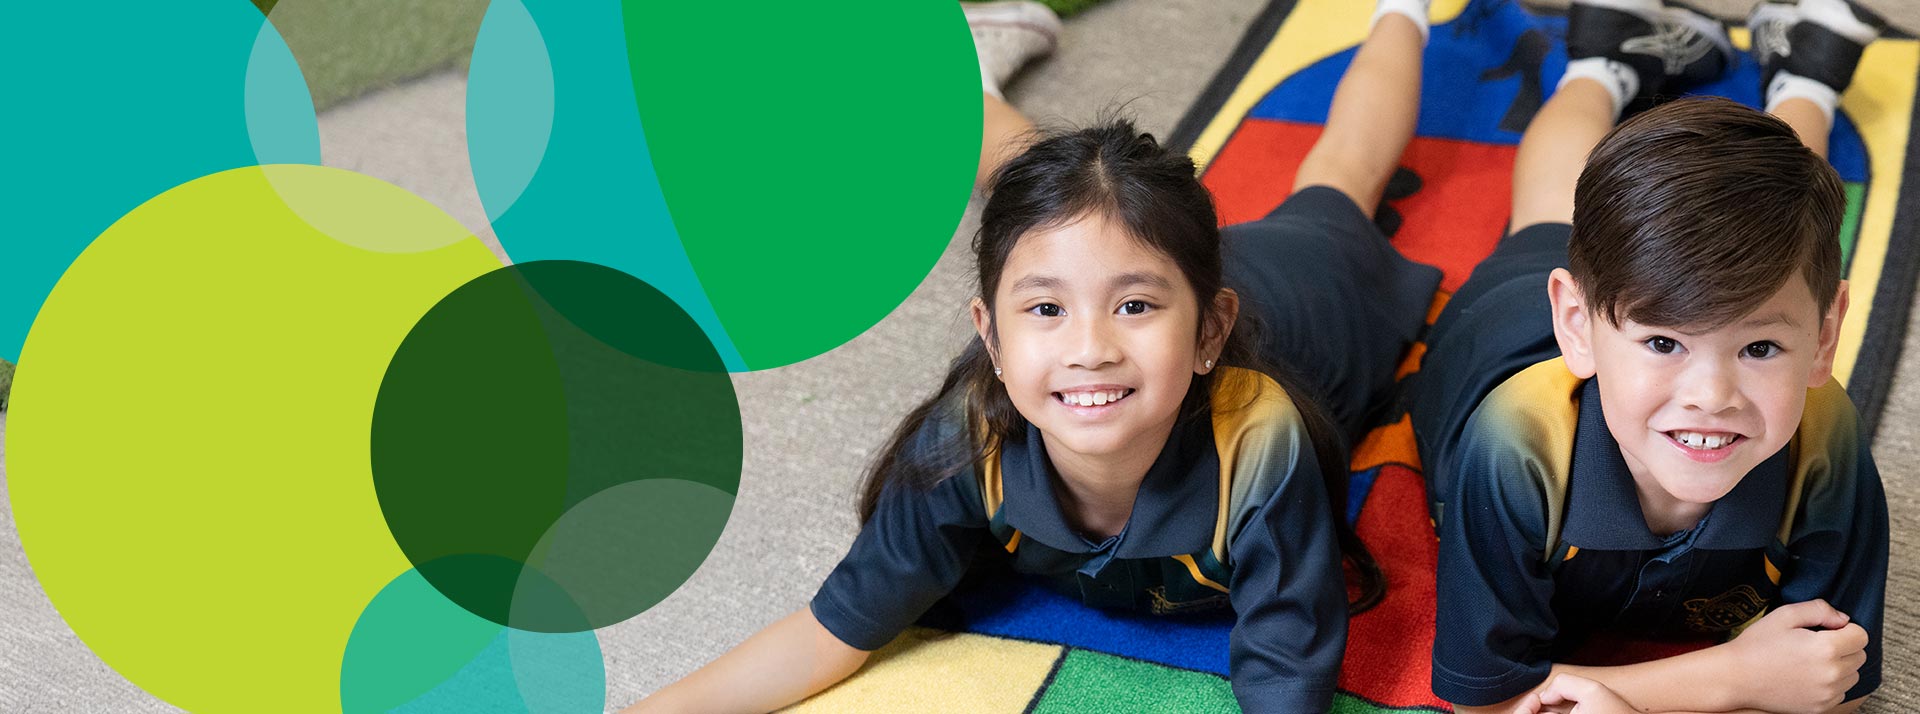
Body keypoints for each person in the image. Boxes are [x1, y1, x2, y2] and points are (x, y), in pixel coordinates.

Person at [628, 0, 1443, 710]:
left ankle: (1402, 9)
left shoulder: (1260, 445)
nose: (1088, 349)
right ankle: (966, 75)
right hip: (1160, 274)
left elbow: (1283, 687)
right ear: (990, 334)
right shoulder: (967, 431)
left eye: (1131, 309)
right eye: (1045, 311)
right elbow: (828, 631)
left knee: (1340, 179)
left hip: (1310, 284)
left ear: (1209, 333)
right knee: (1063, 197)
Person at [1406, 0, 1889, 711]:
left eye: (1759, 347)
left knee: (1775, 223)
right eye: (1666, 344)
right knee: (1549, 207)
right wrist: (1736, 678)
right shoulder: (1512, 447)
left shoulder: (1827, 432)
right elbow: (1487, 699)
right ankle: (1605, 59)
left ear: (1824, 338)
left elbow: (1832, 678)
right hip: (1504, 323)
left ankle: (1805, 80)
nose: (1711, 393)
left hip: (1638, 298)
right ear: (1576, 322)